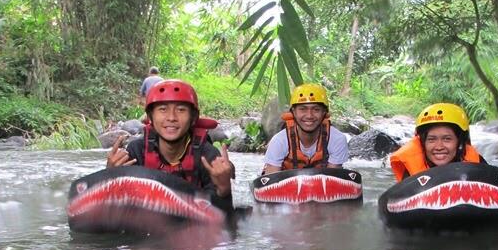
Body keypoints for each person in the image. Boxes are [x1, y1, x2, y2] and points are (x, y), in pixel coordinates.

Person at [107, 79, 235, 211]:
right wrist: (109, 178)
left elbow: (222, 217)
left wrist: (224, 189)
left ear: (193, 118)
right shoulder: (137, 151)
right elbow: (119, 208)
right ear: (150, 116)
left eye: (180, 110)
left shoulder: (207, 156)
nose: (171, 117)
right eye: (163, 109)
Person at [262, 83, 349, 174]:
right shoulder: (279, 141)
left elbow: (333, 179)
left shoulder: (337, 139)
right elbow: (271, 179)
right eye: (303, 109)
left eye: (316, 109)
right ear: (293, 112)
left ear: (324, 113)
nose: (309, 116)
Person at [390, 102, 485, 181]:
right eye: (431, 139)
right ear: (423, 142)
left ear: (459, 141)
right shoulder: (410, 172)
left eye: (447, 139)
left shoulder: (477, 163)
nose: (439, 147)